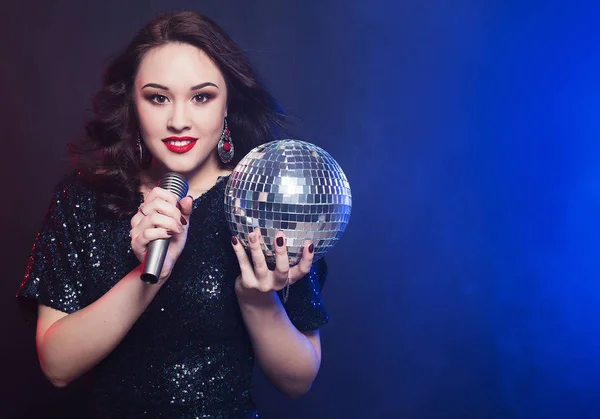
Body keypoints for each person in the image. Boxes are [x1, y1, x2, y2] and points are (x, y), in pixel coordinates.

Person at [16, 10, 329, 418]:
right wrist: (148, 275)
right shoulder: (83, 199)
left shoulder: (263, 201)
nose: (178, 121)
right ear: (132, 102)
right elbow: (57, 367)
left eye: (201, 97)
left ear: (227, 104)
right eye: (158, 98)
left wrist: (257, 301)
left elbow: (297, 380)